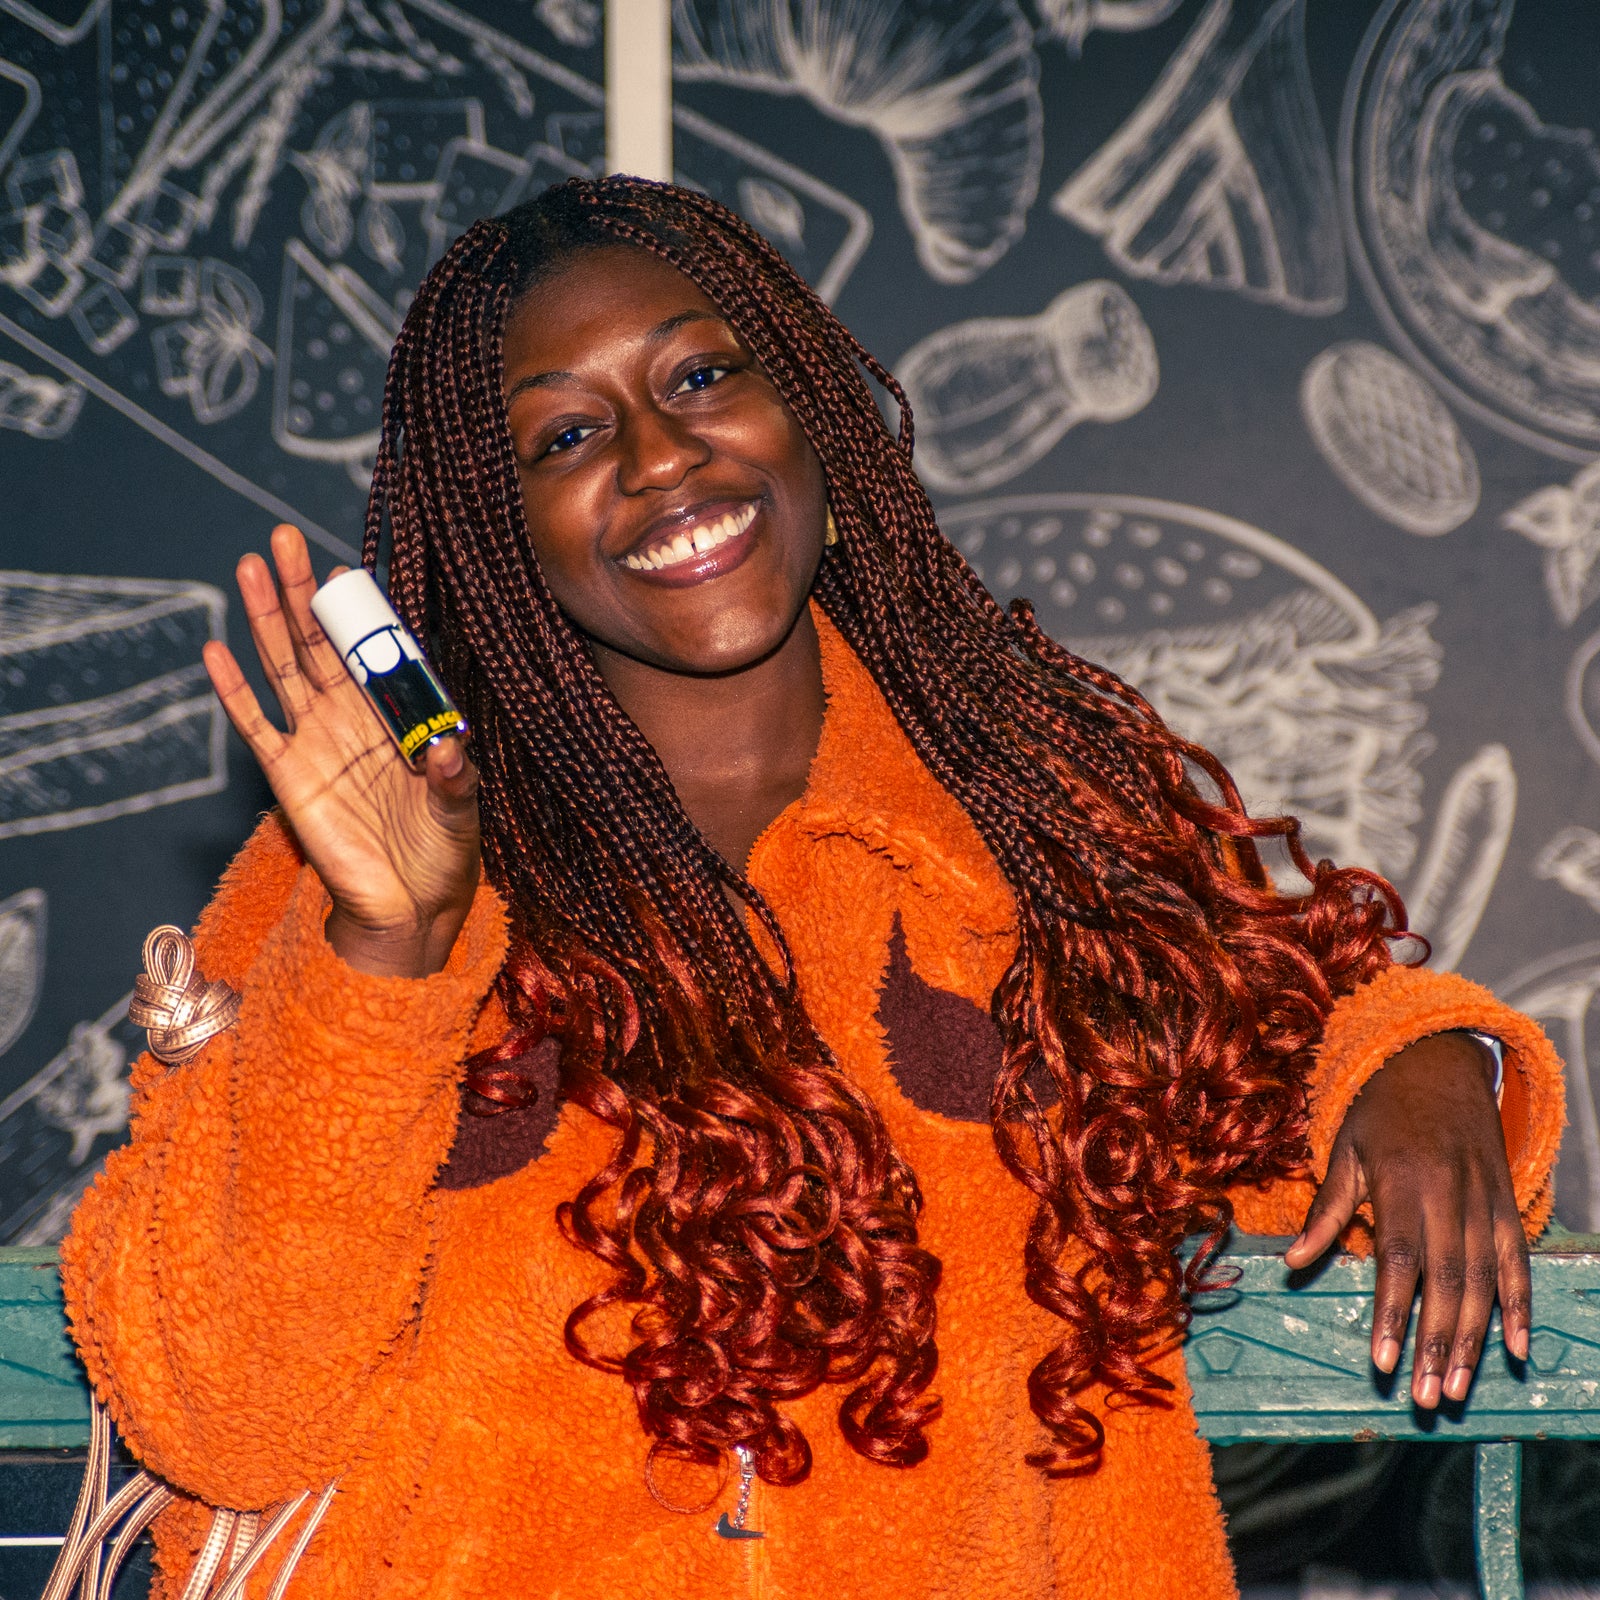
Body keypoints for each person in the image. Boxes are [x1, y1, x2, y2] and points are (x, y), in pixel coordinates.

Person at [62, 178, 1564, 1599]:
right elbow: (221, 1410)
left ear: (814, 407)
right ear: (496, 533)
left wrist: (1418, 1064)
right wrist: (389, 952)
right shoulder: (355, 863)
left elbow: (1287, 1061)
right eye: (567, 437)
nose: (660, 457)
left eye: (701, 380)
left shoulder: (1028, 805)